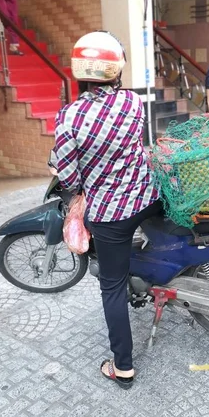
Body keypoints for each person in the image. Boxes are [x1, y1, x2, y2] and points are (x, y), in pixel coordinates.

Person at [54, 31, 161, 389]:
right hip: (147, 197)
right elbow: (136, 145)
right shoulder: (132, 102)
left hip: (110, 214)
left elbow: (68, 175)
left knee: (111, 287)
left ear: (79, 73)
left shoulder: (69, 117)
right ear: (117, 71)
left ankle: (124, 367)